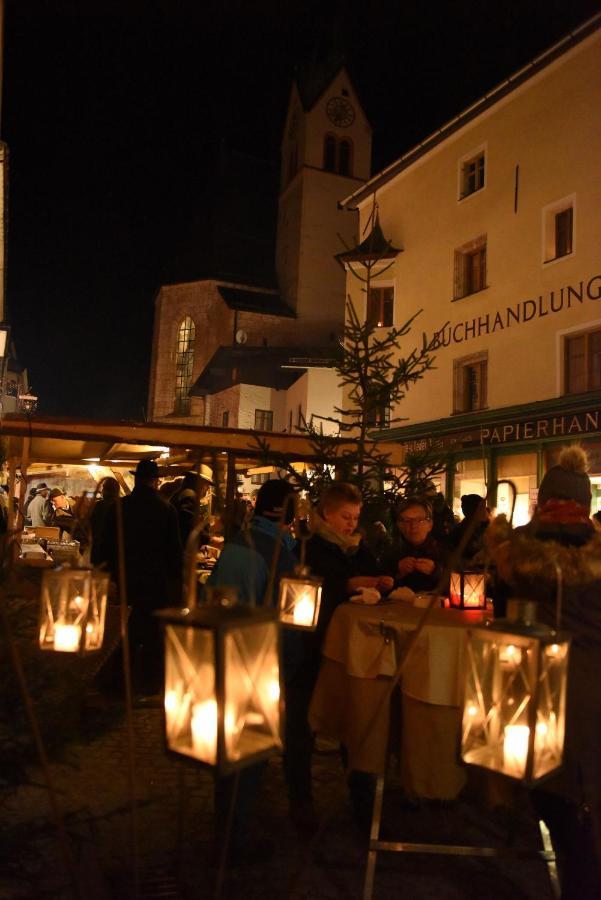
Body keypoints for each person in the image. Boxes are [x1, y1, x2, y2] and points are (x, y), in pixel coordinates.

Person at [488, 446, 601, 899]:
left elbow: (504, 604)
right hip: (587, 695)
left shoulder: (519, 557)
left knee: (562, 800)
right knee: (580, 806)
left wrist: (497, 533)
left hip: (535, 691)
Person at [207, 478, 298, 866]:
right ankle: (236, 839)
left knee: (230, 747)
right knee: (249, 750)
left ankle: (227, 826)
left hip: (227, 656)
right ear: (284, 510)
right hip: (258, 660)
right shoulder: (273, 552)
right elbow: (286, 615)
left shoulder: (237, 543)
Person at [299, 483, 393, 830]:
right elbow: (308, 589)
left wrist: (380, 580)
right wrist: (348, 585)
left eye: (355, 518)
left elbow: (371, 571)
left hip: (351, 649)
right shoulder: (310, 547)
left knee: (355, 718)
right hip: (314, 646)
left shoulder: (358, 548)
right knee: (307, 721)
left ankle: (362, 802)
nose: (351, 524)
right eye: (345, 517)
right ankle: (302, 801)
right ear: (325, 514)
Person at [97, 459, 183, 694]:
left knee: (124, 636)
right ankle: (150, 687)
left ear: (136, 479)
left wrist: (108, 576)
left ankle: (118, 686)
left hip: (124, 581)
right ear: (155, 481)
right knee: (153, 637)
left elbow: (103, 549)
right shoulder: (167, 510)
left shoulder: (118, 507)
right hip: (156, 585)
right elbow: (175, 554)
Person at [381, 496, 447, 593]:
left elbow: (462, 585)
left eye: (419, 520)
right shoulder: (390, 554)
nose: (413, 526)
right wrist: (397, 572)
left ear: (430, 524)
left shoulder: (444, 552)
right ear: (399, 525)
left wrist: (435, 571)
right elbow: (377, 590)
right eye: (407, 520)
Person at [170, 468, 212, 547]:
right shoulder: (189, 495)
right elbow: (189, 526)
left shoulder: (183, 492)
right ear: (200, 482)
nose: (207, 489)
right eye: (207, 485)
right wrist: (209, 539)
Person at [447, 493, 490, 563]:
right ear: (473, 512)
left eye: (485, 507)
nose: (486, 511)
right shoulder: (460, 531)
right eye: (482, 508)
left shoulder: (488, 527)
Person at [90, 477, 120, 565]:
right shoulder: (122, 506)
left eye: (104, 488)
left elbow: (92, 526)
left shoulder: (98, 506)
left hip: (100, 552)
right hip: (116, 554)